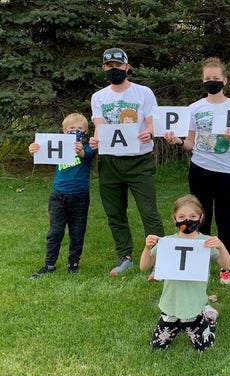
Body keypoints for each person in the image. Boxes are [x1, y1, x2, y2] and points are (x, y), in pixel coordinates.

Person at [164, 57, 230, 285]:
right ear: (203, 80)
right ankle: (200, 265)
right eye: (208, 78)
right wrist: (179, 142)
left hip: (227, 172)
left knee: (224, 219)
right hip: (200, 169)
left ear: (225, 80)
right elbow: (191, 143)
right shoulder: (194, 108)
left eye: (216, 78)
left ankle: (225, 267)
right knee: (201, 218)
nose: (212, 81)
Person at [89, 47, 165, 276]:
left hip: (139, 161)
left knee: (148, 211)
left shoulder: (143, 93)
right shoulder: (99, 97)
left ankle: (159, 258)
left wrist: (149, 132)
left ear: (127, 66)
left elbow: (153, 122)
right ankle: (125, 256)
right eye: (110, 66)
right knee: (115, 213)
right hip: (110, 163)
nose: (115, 70)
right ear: (104, 68)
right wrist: (95, 141)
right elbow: (99, 127)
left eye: (118, 65)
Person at [139, 194, 230, 351]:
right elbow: (144, 266)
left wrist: (221, 246)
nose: (187, 220)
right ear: (174, 219)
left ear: (201, 218)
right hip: (170, 307)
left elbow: (227, 265)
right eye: (181, 216)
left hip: (194, 307)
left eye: (192, 216)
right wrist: (147, 248)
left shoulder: (206, 242)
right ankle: (197, 317)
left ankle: (209, 318)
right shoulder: (167, 242)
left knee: (205, 348)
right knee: (157, 347)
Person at [29, 113, 95, 278]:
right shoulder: (57, 145)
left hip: (80, 196)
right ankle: (49, 264)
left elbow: (88, 156)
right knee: (55, 231)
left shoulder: (87, 147)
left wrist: (80, 151)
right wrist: (33, 150)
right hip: (59, 195)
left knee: (77, 231)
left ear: (85, 131)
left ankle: (73, 264)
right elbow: (42, 152)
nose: (75, 131)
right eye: (71, 128)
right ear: (64, 131)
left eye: (79, 128)